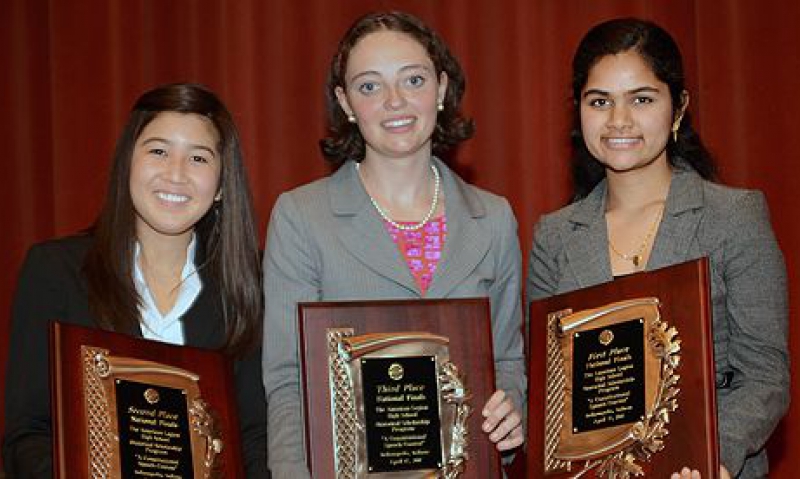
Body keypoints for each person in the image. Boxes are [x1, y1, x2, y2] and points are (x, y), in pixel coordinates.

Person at [263, 11, 526, 478]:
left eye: (413, 79)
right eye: (369, 86)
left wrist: (513, 407)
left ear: (441, 89)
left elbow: (506, 359)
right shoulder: (300, 217)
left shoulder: (495, 219)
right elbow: (288, 383)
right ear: (345, 102)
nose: (394, 101)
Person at [527, 18, 789, 479]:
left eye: (641, 99)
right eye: (599, 101)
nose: (619, 121)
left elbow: (766, 377)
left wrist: (715, 457)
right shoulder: (555, 236)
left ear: (679, 108)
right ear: (579, 111)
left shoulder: (733, 216)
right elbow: (548, 391)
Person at [3, 83, 269, 478]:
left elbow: (256, 438)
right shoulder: (55, 272)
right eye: (158, 151)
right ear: (127, 161)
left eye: (198, 158)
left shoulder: (250, 283)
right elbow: (28, 435)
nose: (175, 174)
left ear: (220, 187)